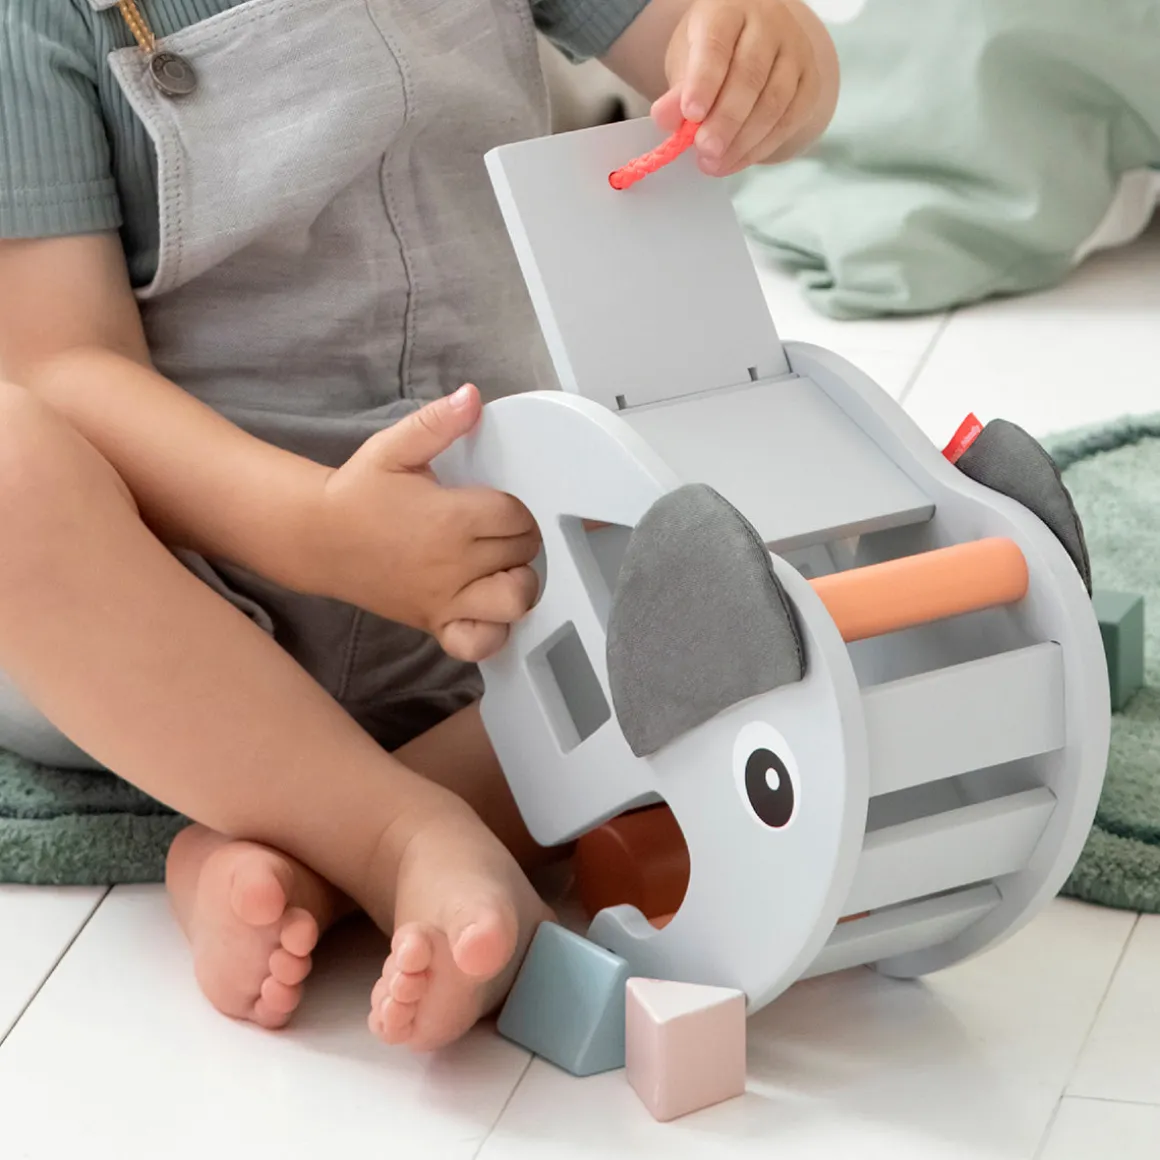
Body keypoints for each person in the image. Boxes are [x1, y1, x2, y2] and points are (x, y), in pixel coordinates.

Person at [0, 0, 838, 1052]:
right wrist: (313, 529)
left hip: (483, 579)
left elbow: (698, 31)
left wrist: (768, 56)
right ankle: (398, 835)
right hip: (173, 610)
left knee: (761, 582)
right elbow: (59, 361)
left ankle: (307, 849)